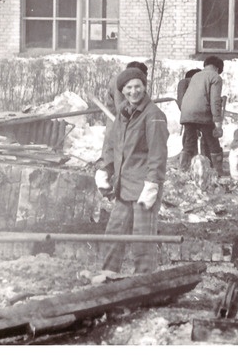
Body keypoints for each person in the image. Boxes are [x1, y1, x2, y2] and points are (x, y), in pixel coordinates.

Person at [95, 67, 169, 274]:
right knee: (114, 232)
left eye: (138, 86)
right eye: (129, 87)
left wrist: (153, 183)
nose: (134, 91)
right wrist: (105, 168)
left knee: (142, 238)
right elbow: (113, 144)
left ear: (144, 88)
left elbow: (158, 153)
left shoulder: (153, 115)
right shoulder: (123, 112)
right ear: (122, 90)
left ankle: (144, 281)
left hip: (144, 185)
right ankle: (108, 274)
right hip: (123, 184)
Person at [179, 56, 225, 174]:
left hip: (186, 113)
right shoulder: (215, 77)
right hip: (202, 113)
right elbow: (215, 101)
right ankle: (218, 171)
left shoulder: (195, 76)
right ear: (218, 68)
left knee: (189, 142)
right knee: (213, 141)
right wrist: (217, 123)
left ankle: (183, 170)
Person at [175, 68, 201, 171]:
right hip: (196, 115)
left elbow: (180, 101)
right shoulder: (192, 84)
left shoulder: (183, 83)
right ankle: (184, 166)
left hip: (187, 115)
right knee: (190, 139)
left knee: (189, 137)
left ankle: (191, 160)